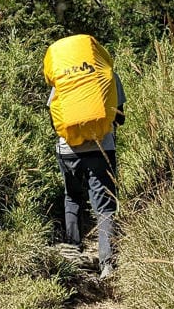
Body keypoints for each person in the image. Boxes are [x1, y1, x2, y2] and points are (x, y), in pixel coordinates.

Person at [47, 47, 125, 279]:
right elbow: (120, 117)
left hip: (67, 151)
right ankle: (107, 264)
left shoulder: (63, 77)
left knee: (72, 197)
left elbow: (53, 114)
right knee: (105, 207)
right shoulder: (108, 76)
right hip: (102, 148)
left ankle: (74, 253)